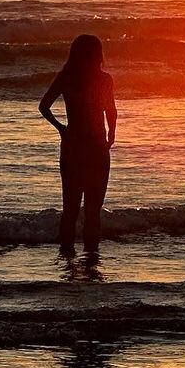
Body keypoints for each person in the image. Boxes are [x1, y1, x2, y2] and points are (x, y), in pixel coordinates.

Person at [40, 35, 117, 253]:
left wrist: (62, 128)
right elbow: (111, 110)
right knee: (93, 211)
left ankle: (67, 259)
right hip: (97, 147)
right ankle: (91, 260)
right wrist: (112, 133)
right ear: (97, 54)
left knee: (70, 210)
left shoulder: (67, 77)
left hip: (73, 146)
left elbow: (44, 106)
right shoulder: (104, 79)